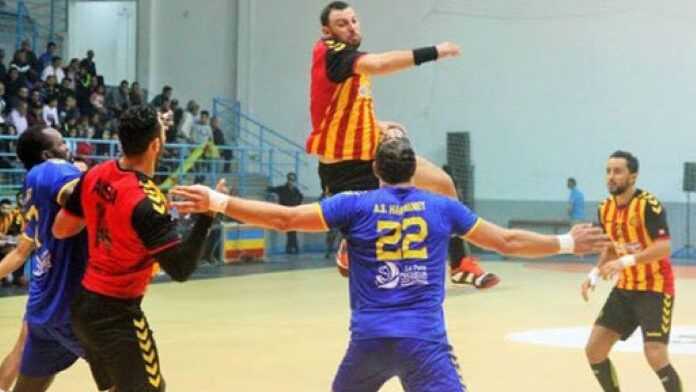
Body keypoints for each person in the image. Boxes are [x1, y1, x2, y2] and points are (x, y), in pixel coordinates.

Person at [171, 137, 608, 392]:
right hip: (424, 344)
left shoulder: (353, 204)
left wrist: (220, 201)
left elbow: (284, 218)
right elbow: (507, 241)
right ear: (415, 169)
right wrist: (567, 242)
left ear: (374, 168)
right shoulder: (442, 207)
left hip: (370, 342)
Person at [307, 1, 498, 288]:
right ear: (327, 30)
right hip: (344, 166)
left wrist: (378, 124)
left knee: (444, 184)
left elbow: (344, 109)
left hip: (370, 150)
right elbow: (381, 64)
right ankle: (350, 243)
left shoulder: (350, 64)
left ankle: (460, 263)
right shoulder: (334, 54)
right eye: (342, 24)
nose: (351, 27)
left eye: (354, 20)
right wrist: (436, 51)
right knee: (375, 229)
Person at [52, 105, 218, 391]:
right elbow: (180, 268)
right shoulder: (147, 201)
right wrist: (207, 216)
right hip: (118, 314)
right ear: (155, 145)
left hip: (83, 309)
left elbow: (62, 228)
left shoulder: (95, 174)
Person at [0, 125, 110, 392]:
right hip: (72, 300)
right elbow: (79, 198)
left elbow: (20, 252)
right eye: (61, 143)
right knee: (129, 377)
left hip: (43, 301)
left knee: (26, 370)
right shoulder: (55, 169)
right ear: (48, 154)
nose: (67, 147)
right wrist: (90, 178)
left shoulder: (31, 186)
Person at [581, 151, 682, 392]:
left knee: (655, 353)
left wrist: (625, 262)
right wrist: (594, 273)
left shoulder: (648, 204)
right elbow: (610, 247)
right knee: (594, 350)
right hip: (625, 289)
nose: (611, 177)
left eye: (617, 171)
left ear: (632, 176)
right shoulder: (604, 208)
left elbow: (664, 247)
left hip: (655, 288)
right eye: (608, 171)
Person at [267, 172, 304, 254]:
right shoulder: (282, 188)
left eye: (293, 180)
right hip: (285, 212)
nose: (292, 181)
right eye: (290, 179)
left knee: (292, 231)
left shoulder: (296, 190)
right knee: (290, 231)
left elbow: (300, 197)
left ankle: (291, 248)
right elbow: (272, 189)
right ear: (288, 180)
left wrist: (297, 206)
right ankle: (293, 248)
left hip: (294, 212)